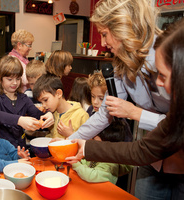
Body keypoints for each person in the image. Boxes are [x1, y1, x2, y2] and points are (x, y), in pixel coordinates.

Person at [67, 17, 184, 200]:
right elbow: (142, 150)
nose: (159, 84)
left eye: (162, 75)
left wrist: (134, 112)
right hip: (154, 162)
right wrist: (75, 143)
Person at [0, 55, 54, 148]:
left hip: (20, 146)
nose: (15, 83)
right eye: (10, 79)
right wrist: (19, 120)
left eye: (18, 79)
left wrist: (49, 114)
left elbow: (37, 113)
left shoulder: (23, 98)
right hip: (1, 148)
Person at [72, 120, 133, 184]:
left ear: (106, 145)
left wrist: (76, 164)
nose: (90, 141)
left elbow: (91, 176)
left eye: (94, 140)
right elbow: (85, 162)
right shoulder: (95, 151)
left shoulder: (110, 162)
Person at [33, 73, 89, 138]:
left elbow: (87, 143)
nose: (44, 105)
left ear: (58, 93)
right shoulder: (51, 114)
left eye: (45, 100)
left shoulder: (81, 115)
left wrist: (71, 134)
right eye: (41, 102)